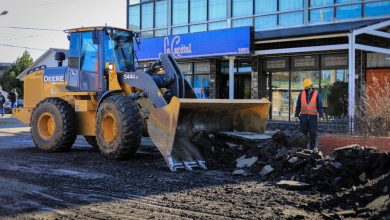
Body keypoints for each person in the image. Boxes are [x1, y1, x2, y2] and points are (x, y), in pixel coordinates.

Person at [295, 79, 324, 150]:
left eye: (308, 87)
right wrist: (296, 115)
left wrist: (321, 116)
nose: (307, 89)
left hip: (313, 116)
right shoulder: (301, 94)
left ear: (311, 86)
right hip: (303, 116)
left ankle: (311, 148)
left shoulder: (317, 94)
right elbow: (298, 105)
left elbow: (320, 106)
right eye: (305, 88)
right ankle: (303, 148)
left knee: (313, 133)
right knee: (303, 133)